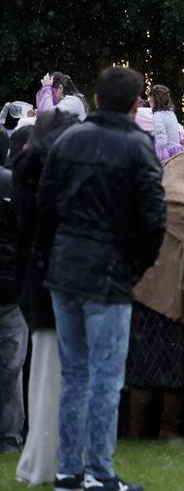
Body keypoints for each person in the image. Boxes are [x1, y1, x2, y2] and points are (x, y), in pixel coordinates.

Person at [39, 67, 166, 491]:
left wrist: (52, 258)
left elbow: (45, 208)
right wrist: (136, 265)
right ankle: (98, 471)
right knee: (106, 377)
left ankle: (68, 471)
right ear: (135, 104)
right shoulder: (136, 146)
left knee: (75, 375)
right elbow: (153, 219)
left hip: (66, 270)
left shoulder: (67, 140)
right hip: (109, 273)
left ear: (95, 98)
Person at [127, 151, 184, 439]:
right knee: (176, 369)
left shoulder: (147, 201)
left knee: (141, 365)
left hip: (143, 295)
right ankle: (169, 430)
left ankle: (137, 430)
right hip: (181, 302)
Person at [12, 111, 78, 485]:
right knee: (52, 374)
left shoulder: (29, 167)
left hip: (38, 280)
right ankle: (47, 459)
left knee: (46, 375)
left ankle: (42, 457)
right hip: (50, 282)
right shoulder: (40, 170)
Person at [0, 132, 23, 454]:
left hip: (11, 286)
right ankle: (9, 437)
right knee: (12, 367)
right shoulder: (13, 184)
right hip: (12, 288)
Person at [149, 85, 184, 163]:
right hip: (177, 151)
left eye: (150, 99)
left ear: (154, 100)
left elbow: (162, 140)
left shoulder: (158, 115)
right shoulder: (171, 113)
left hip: (168, 155)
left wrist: (157, 158)